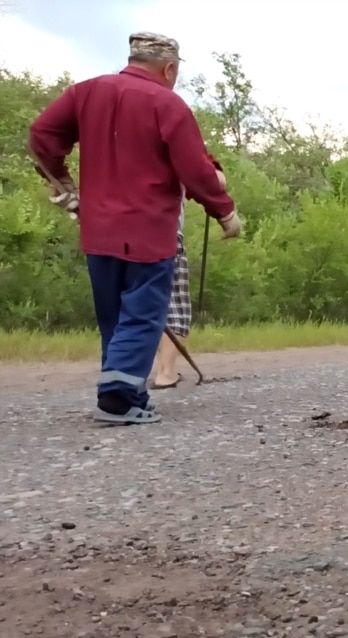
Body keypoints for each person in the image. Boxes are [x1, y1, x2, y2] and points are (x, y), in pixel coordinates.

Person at [28, 32, 240, 424]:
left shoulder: (85, 93)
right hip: (147, 230)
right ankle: (118, 397)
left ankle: (131, 391)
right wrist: (225, 212)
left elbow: (42, 135)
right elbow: (195, 169)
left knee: (114, 316)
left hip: (98, 229)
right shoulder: (167, 103)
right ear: (170, 67)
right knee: (142, 315)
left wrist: (62, 182)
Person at [150, 154, 227, 389]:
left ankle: (121, 374)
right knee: (175, 306)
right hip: (162, 231)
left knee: (130, 305)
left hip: (109, 232)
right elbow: (216, 181)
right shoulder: (172, 133)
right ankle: (166, 372)